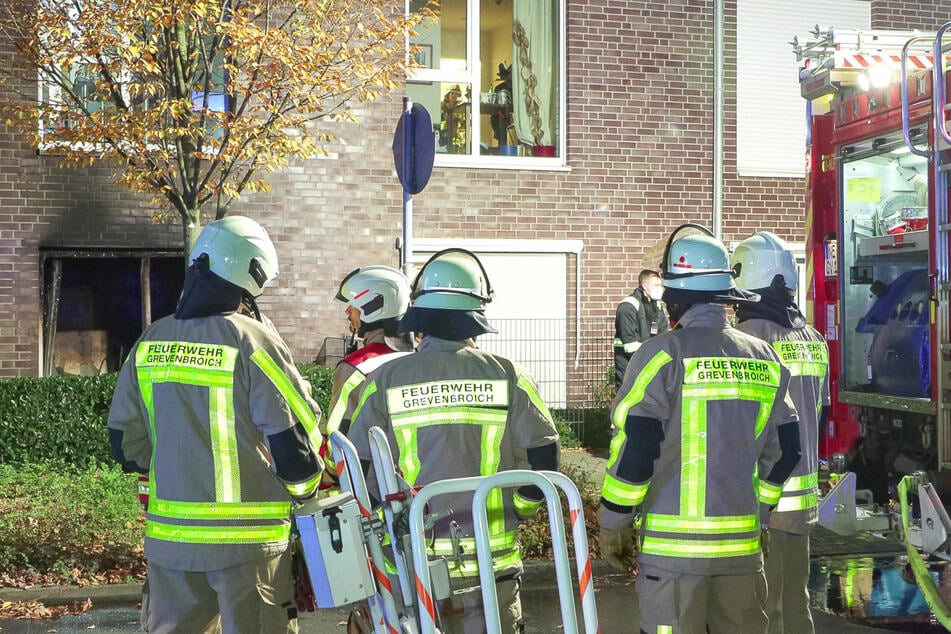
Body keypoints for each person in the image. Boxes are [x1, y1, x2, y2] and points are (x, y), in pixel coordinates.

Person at [108, 215, 325, 634]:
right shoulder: (253, 340)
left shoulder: (151, 340)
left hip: (171, 546)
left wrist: (178, 471)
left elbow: (124, 444)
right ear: (250, 274)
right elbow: (295, 443)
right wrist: (305, 493)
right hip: (249, 548)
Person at [598, 224, 802, 634]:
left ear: (674, 296)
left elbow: (637, 449)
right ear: (726, 294)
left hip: (673, 561)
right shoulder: (764, 357)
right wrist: (761, 513)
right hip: (743, 554)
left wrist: (613, 523)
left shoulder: (661, 355)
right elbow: (787, 447)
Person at [348, 248, 560, 633]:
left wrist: (381, 520)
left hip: (411, 565)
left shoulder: (383, 381)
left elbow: (357, 469)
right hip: (491, 567)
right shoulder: (510, 376)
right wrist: (520, 508)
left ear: (419, 316)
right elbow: (545, 455)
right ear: (477, 315)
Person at [731, 231, 830, 634]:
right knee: (795, 603)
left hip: (762, 498)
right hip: (802, 499)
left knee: (762, 610)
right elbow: (820, 414)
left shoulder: (749, 339)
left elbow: (740, 424)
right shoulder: (814, 339)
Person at [326, 265, 414, 437]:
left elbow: (339, 436)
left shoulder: (355, 368)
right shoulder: (422, 360)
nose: (347, 311)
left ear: (372, 307)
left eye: (353, 305)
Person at [613, 269, 669, 389]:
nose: (660, 288)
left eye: (661, 285)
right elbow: (629, 344)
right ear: (644, 285)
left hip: (650, 365)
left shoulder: (657, 306)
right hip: (629, 366)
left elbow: (663, 335)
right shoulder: (628, 305)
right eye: (656, 285)